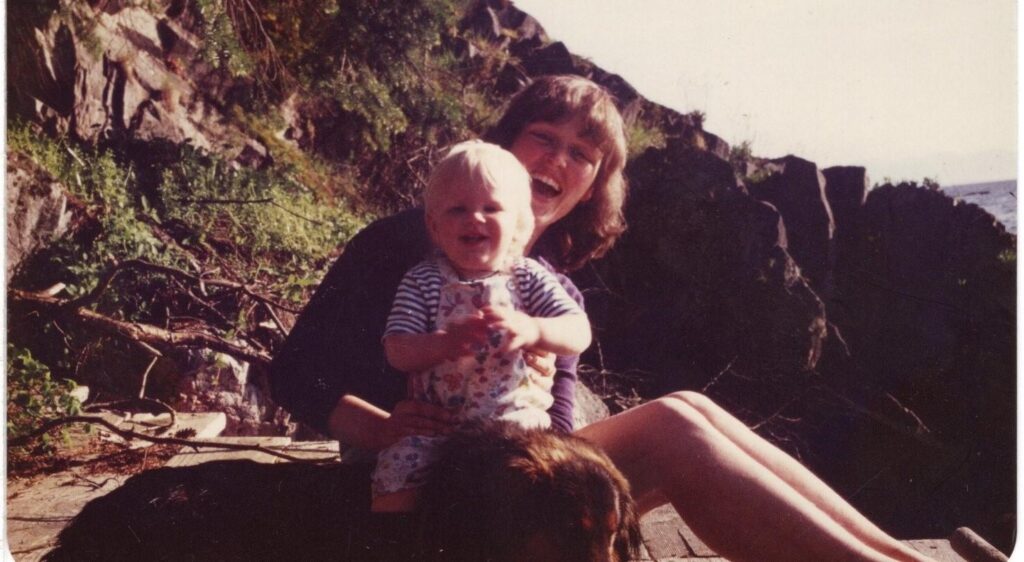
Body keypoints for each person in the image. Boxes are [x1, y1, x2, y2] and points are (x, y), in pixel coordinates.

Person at [270, 75, 932, 561]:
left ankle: (893, 558)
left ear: (594, 184)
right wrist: (381, 427)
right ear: (502, 146)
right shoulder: (411, 243)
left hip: (515, 474)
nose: (559, 159)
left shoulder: (541, 276)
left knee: (690, 406)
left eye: (582, 154)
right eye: (543, 138)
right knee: (674, 431)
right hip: (423, 490)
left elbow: (555, 417)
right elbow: (295, 374)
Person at [371, 141, 591, 511]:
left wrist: (534, 329)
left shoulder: (527, 278)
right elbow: (397, 349)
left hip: (514, 426)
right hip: (436, 429)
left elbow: (579, 331)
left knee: (524, 494)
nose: (474, 218)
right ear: (434, 225)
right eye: (458, 209)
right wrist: (442, 343)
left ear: (519, 223)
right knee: (394, 477)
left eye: (491, 208)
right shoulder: (423, 280)